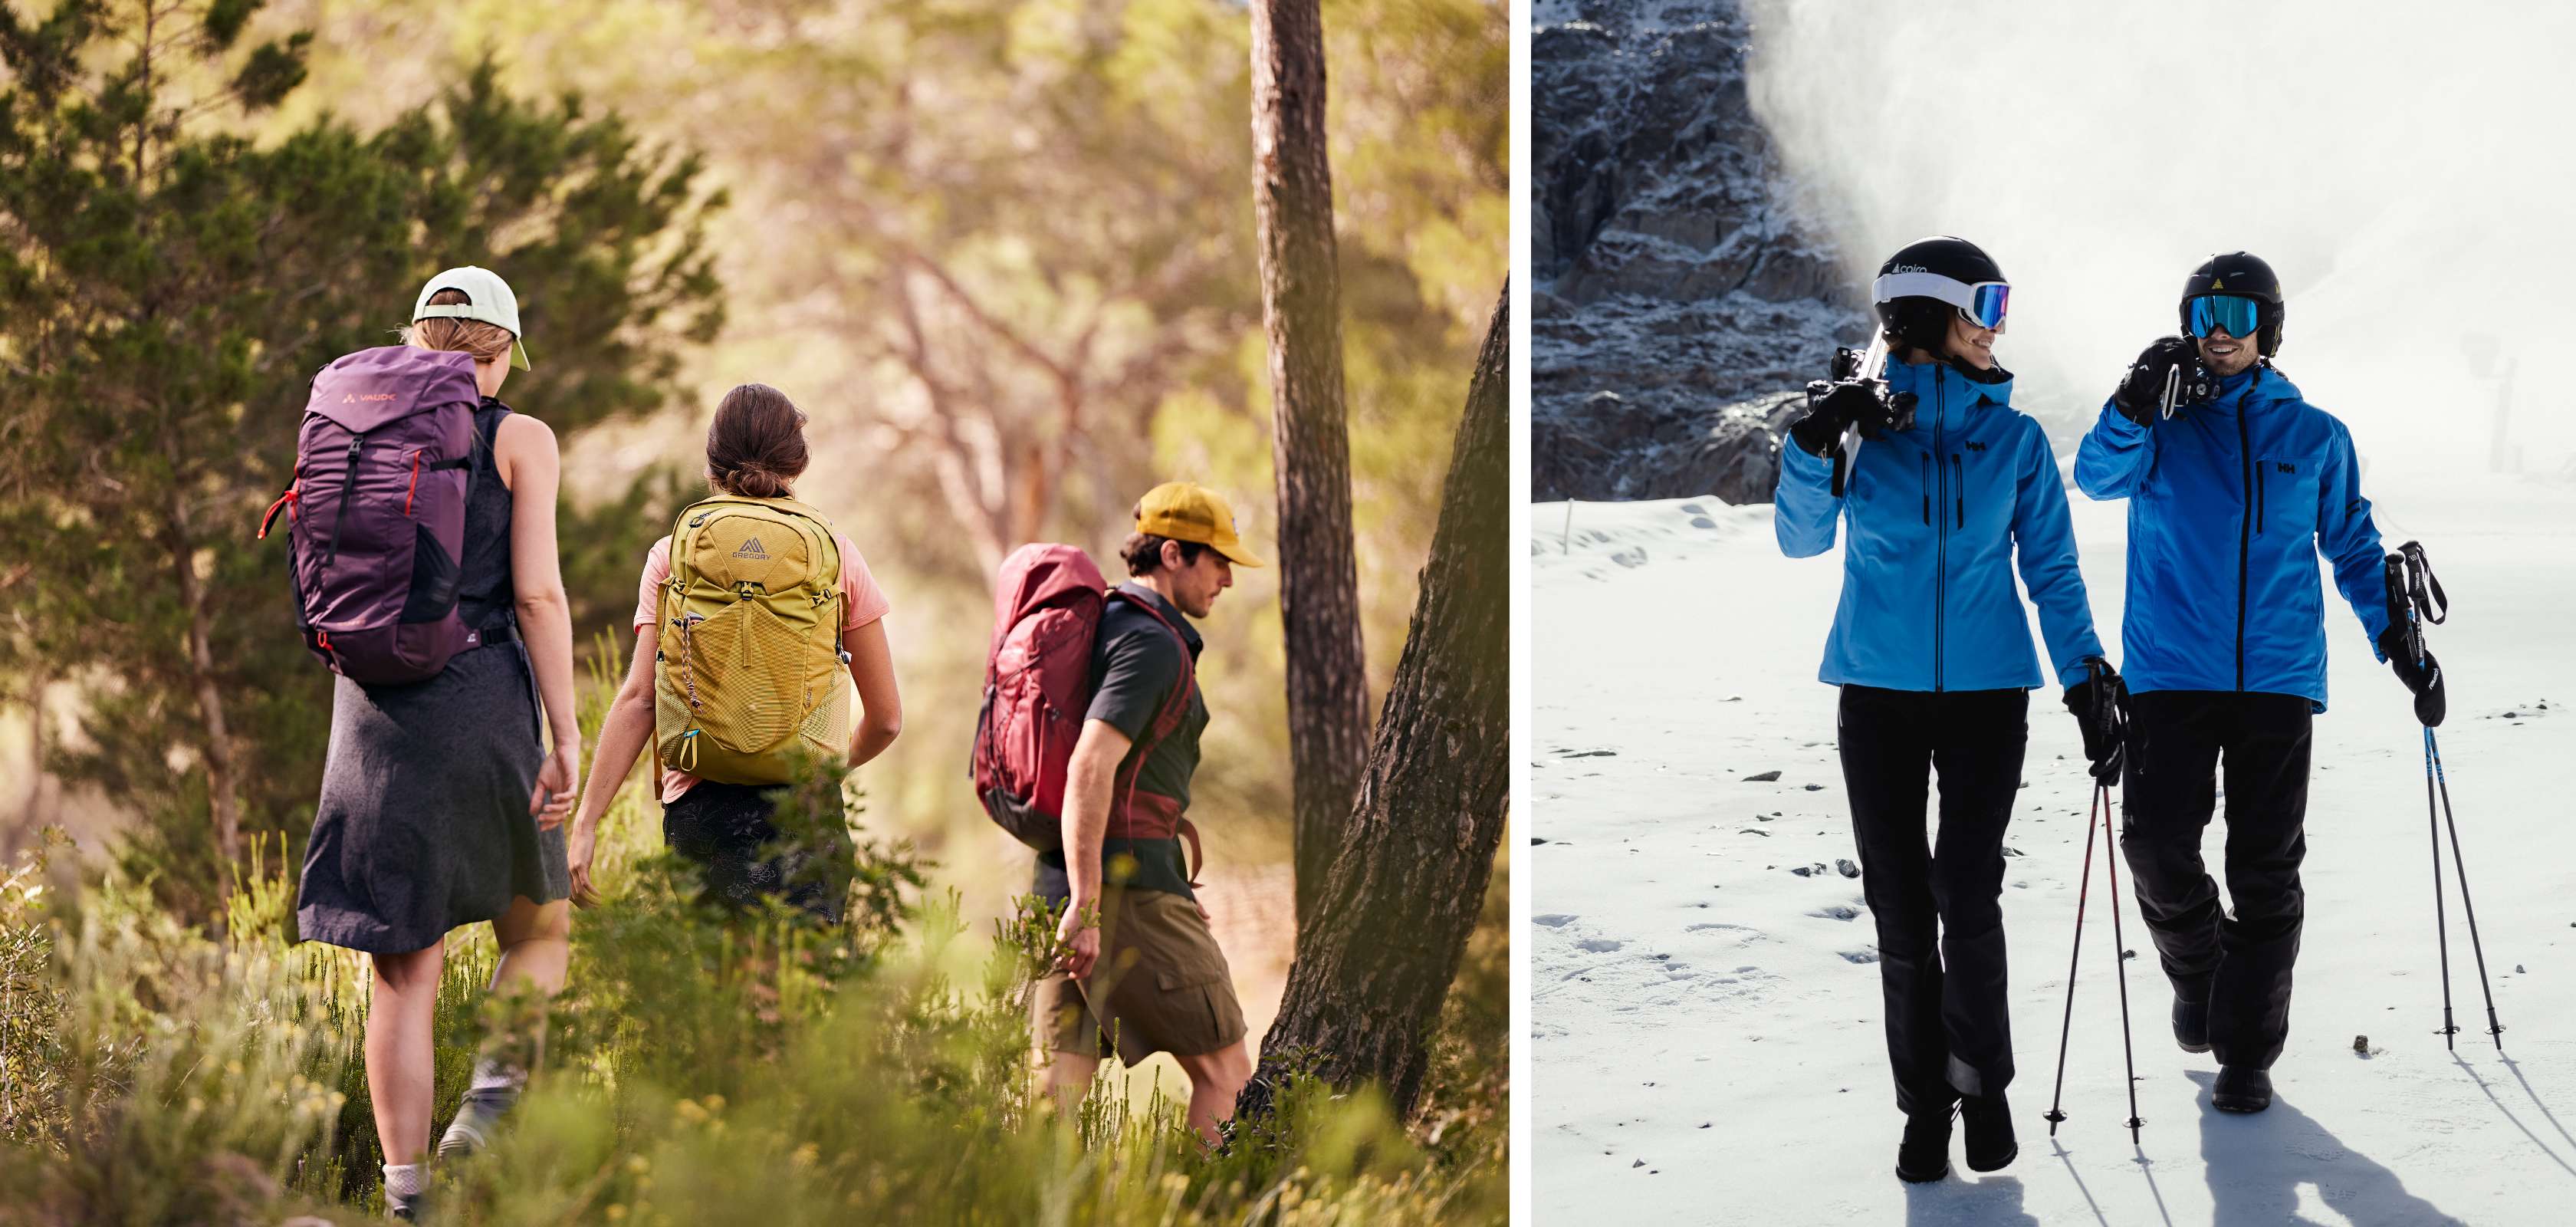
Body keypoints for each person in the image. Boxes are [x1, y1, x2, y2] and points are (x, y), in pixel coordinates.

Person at [1776, 236, 2119, 1182]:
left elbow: (2051, 568)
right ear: (1932, 316)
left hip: (1985, 699)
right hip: (1875, 699)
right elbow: (1801, 541)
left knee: (1966, 894)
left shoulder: (2012, 439)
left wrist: (2087, 676)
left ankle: (1985, 1083)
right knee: (1898, 908)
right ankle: (1924, 1107)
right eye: (1987, 305)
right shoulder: (1858, 429)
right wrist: (1812, 445)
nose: (2000, 326)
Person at [2075, 252, 2440, 1115]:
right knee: (2157, 848)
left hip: (2276, 681)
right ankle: (2198, 965)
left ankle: (2246, 1050)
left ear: (2268, 328)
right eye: (2204, 313)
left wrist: (2398, 642)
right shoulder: (2159, 427)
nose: (2220, 331)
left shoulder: (2313, 434)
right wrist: (2131, 402)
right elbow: (2093, 475)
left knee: (2265, 871)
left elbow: (2352, 546)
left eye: (2238, 314)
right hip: (2170, 672)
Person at [294, 267, 578, 1220]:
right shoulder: (521, 438)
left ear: (414, 341)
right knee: (540, 924)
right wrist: (566, 730)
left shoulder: (349, 424)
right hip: (483, 699)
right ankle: (487, 1112)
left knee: (403, 970)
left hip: (368, 710)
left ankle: (407, 1197)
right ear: (500, 355)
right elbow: (537, 595)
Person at [564, 383, 902, 922]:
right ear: (797, 461)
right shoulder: (837, 552)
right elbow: (885, 720)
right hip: (802, 813)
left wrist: (586, 824)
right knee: (799, 996)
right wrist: (827, 771)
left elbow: (639, 701)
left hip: (701, 811)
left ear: (711, 461)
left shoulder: (671, 552)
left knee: (719, 997)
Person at [1032, 482, 1262, 1146]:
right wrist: (1092, 902)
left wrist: (1074, 897)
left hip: (1062, 883)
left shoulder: (1103, 622)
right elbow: (1091, 765)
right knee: (1226, 1075)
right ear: (1171, 553)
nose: (1225, 578)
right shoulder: (1151, 643)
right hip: (1115, 890)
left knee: (1058, 1090)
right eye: (1217, 561)